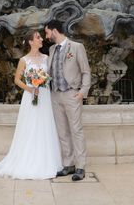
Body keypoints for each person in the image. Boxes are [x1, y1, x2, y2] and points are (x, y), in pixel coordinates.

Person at [0, 30, 62, 180]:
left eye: (40, 37)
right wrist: (30, 88)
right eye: (38, 37)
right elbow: (17, 80)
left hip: (45, 96)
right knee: (31, 126)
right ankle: (28, 160)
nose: (41, 39)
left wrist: (44, 80)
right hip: (31, 96)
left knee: (44, 126)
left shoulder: (47, 58)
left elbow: (50, 75)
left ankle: (46, 161)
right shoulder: (24, 60)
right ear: (31, 42)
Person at [45, 19, 91, 181]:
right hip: (55, 95)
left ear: (54, 31)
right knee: (62, 131)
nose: (46, 35)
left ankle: (80, 166)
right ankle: (68, 164)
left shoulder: (77, 47)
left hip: (72, 94)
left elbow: (86, 71)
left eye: (47, 32)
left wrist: (82, 92)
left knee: (76, 130)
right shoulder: (51, 49)